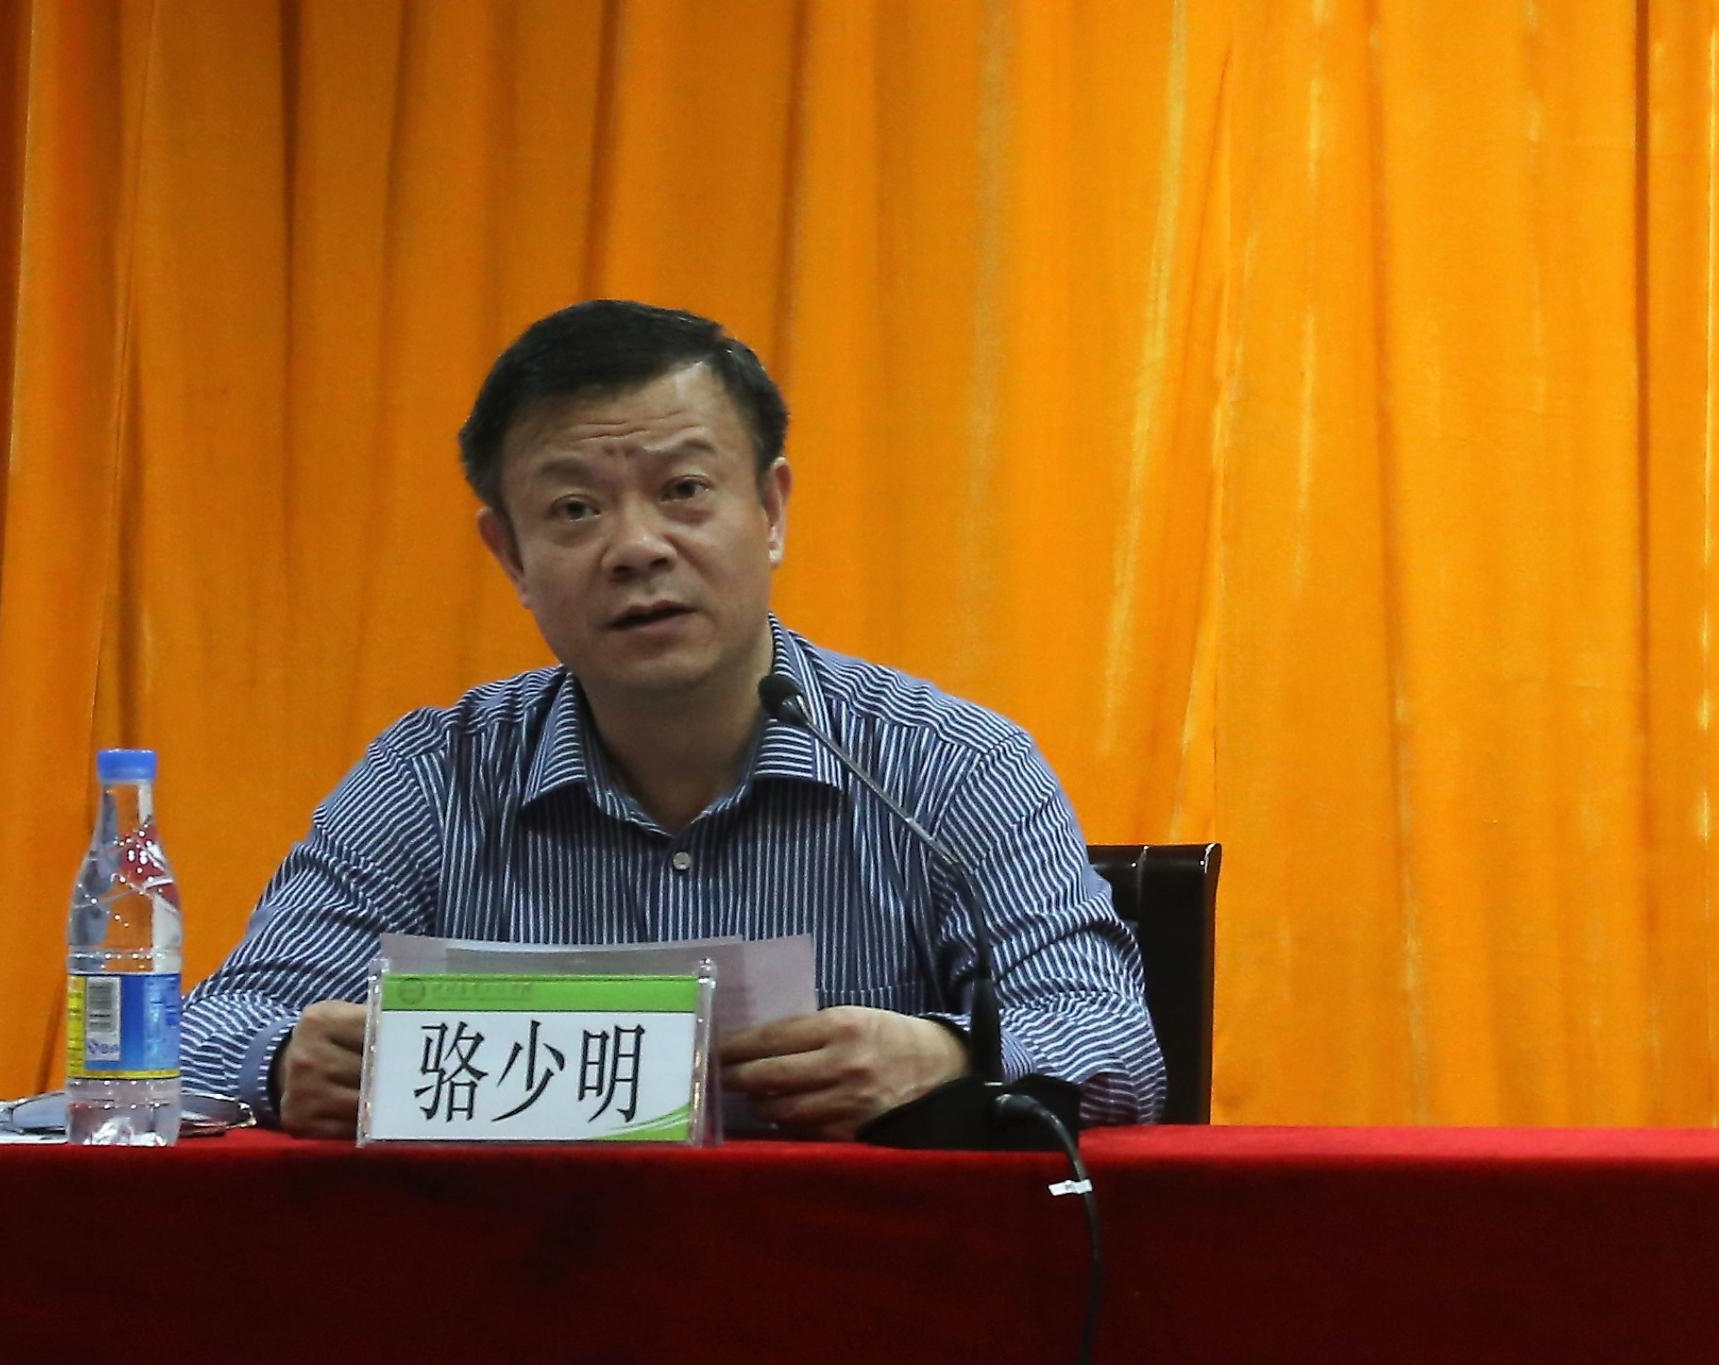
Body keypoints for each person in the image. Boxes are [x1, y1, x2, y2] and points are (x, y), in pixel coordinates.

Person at [180, 299, 1165, 1139]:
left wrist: (954, 1056)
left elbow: (1113, 1040)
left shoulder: (946, 767)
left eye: (684, 491)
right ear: (510, 556)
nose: (635, 547)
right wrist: (281, 1063)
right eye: (575, 510)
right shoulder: (431, 780)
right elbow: (195, 1039)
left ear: (770, 510)